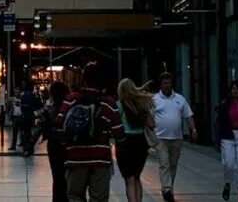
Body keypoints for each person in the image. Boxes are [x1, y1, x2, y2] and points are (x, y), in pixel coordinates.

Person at [55, 65, 124, 202]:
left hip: (75, 157)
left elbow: (59, 124)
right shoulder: (108, 102)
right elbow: (119, 133)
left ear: (84, 80)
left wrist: (66, 144)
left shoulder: (71, 99)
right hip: (100, 159)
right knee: (99, 198)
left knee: (75, 196)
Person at [152, 72, 197, 202]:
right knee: (164, 164)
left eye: (169, 83)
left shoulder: (180, 99)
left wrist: (193, 128)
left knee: (173, 165)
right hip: (160, 138)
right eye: (165, 83)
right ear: (160, 85)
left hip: (176, 138)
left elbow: (188, 115)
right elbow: (148, 116)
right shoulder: (154, 99)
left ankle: (169, 189)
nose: (167, 86)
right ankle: (166, 189)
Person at [116, 78, 155, 202]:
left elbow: (115, 124)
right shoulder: (142, 105)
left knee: (129, 179)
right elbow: (151, 124)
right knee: (137, 176)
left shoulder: (120, 105)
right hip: (140, 142)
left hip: (125, 142)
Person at [42, 81, 70, 202]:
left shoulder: (54, 108)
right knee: (67, 176)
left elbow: (48, 127)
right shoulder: (69, 105)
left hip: (54, 144)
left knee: (57, 177)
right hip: (67, 144)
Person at [20, 84, 38, 155]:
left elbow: (26, 105)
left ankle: (27, 150)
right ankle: (31, 149)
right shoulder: (32, 95)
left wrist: (21, 105)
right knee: (30, 134)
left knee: (26, 134)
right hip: (31, 116)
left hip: (26, 116)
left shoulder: (25, 95)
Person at [9, 85, 23, 151]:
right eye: (16, 92)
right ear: (15, 93)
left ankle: (23, 144)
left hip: (21, 117)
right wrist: (10, 116)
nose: (17, 93)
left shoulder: (23, 99)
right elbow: (10, 108)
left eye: (18, 92)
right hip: (14, 118)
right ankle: (13, 146)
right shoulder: (12, 100)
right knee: (14, 133)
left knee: (22, 132)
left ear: (20, 92)